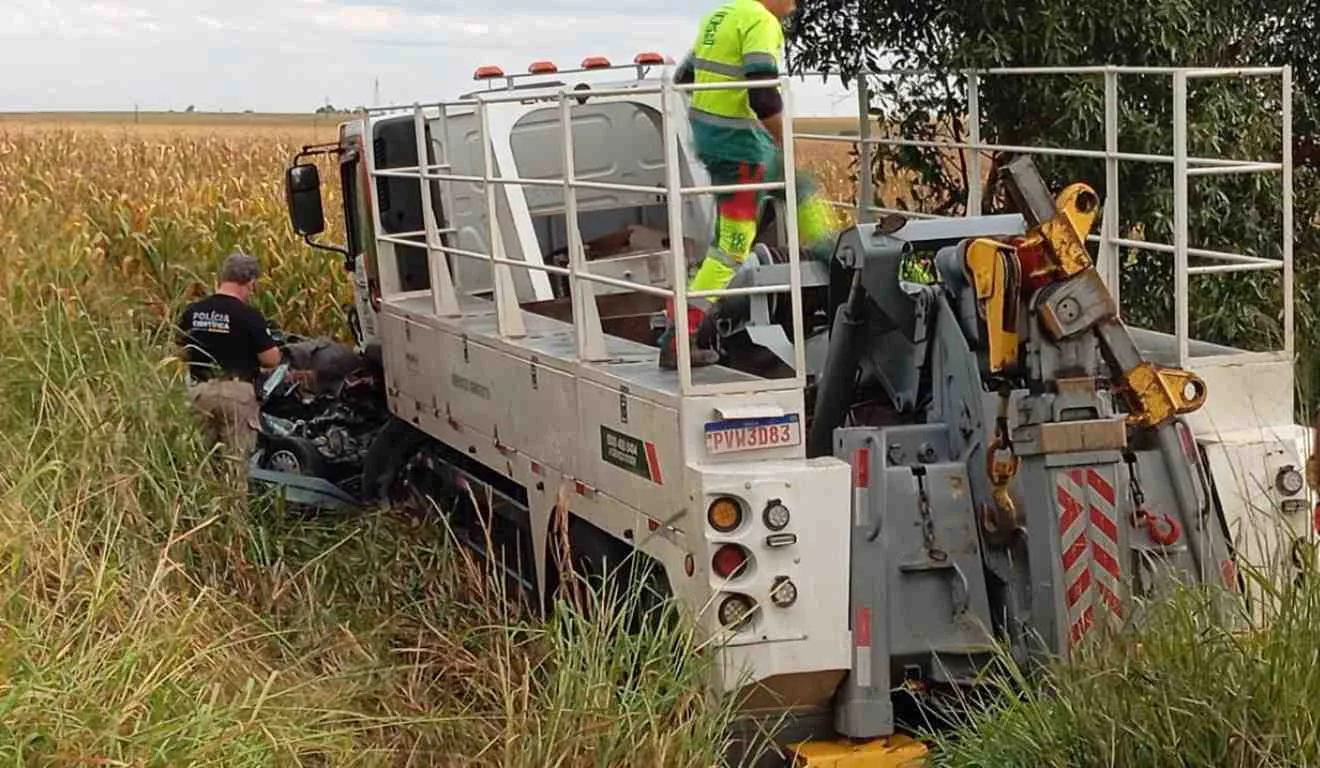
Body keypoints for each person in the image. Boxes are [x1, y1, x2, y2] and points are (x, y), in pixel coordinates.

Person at [657, 0, 842, 369]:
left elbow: (684, 77)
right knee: (731, 248)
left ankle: (833, 254)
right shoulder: (761, 21)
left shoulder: (721, 16)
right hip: (740, 151)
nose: (795, 3)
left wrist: (717, 114)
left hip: (724, 142)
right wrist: (785, 140)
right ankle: (678, 337)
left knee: (798, 188)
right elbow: (763, 94)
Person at [175, 251, 282, 459]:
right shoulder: (249, 315)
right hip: (237, 394)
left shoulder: (193, 311)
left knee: (197, 460)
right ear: (250, 283)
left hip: (200, 393)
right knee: (235, 462)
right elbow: (271, 359)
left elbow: (179, 351)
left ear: (222, 277)